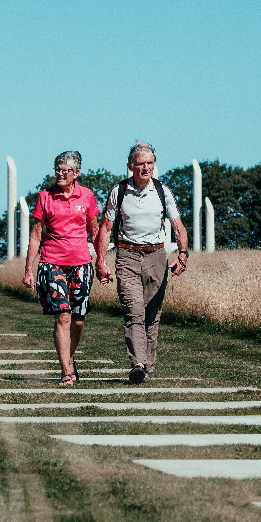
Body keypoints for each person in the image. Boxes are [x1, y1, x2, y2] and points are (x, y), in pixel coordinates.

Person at [94, 141, 189, 384]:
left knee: (151, 314)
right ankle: (137, 363)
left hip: (156, 256)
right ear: (130, 166)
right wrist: (101, 261)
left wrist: (183, 253)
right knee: (133, 310)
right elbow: (106, 228)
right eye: (141, 164)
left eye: (150, 163)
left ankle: (147, 364)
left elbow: (177, 226)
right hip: (127, 255)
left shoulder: (162, 191)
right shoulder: (119, 191)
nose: (146, 168)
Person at [22, 151, 100, 386]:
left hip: (81, 263)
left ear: (77, 173)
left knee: (78, 320)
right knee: (63, 316)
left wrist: (102, 263)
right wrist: (29, 269)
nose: (60, 174)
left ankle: (70, 357)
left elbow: (95, 232)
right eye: (57, 169)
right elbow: (36, 235)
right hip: (51, 261)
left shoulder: (86, 196)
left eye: (65, 170)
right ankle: (66, 370)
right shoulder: (45, 196)